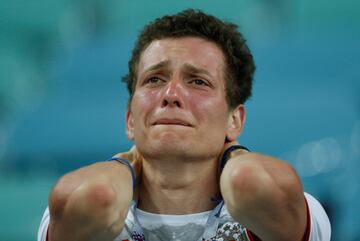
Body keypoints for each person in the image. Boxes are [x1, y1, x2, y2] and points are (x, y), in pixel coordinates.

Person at [38, 9, 331, 241]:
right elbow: (96, 198)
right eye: (155, 79)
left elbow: (248, 182)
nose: (171, 94)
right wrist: (126, 162)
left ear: (234, 120)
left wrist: (233, 155)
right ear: (130, 118)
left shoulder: (288, 207)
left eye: (198, 82)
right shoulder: (83, 211)